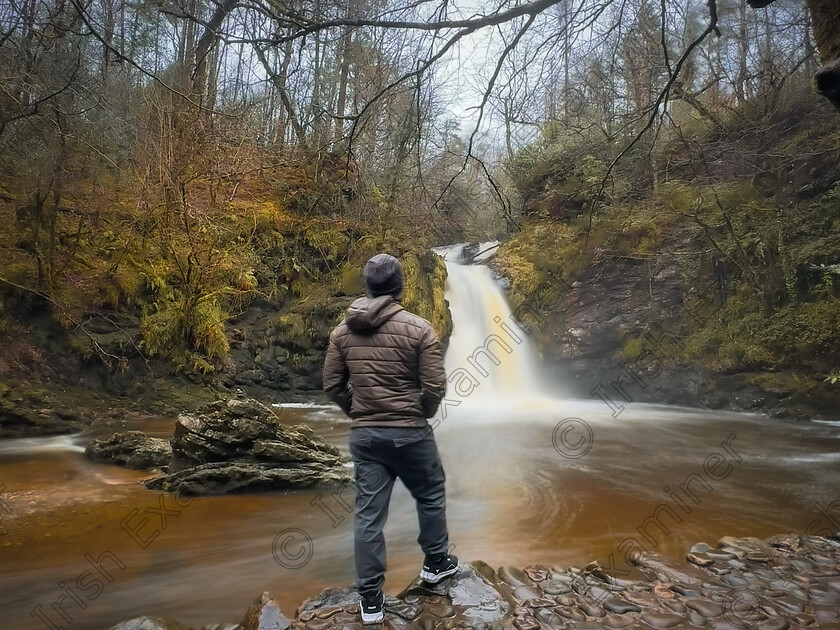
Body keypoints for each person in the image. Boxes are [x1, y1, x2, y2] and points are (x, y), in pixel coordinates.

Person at [323, 253, 458, 625]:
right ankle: (436, 564)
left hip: (366, 438)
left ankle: (370, 601)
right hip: (411, 433)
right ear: (399, 287)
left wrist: (359, 413)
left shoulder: (341, 333)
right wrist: (420, 413)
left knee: (368, 516)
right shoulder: (420, 330)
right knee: (430, 493)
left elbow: (332, 385)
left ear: (367, 286)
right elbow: (434, 386)